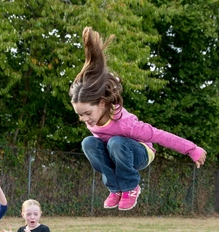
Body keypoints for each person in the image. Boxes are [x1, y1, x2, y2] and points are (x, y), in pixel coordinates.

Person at [69, 26, 207, 211]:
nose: (85, 119)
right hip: (116, 153)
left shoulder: (126, 124)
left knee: (116, 142)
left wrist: (192, 149)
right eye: (80, 115)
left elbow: (160, 136)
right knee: (88, 143)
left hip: (141, 153)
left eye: (87, 113)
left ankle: (131, 186)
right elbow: (99, 149)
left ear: (102, 103)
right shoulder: (93, 120)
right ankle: (115, 188)